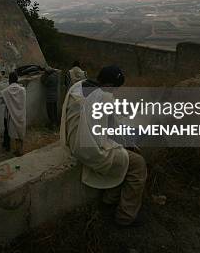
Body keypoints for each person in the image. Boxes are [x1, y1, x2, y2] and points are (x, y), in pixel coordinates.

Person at [60, 65, 147, 227]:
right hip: (90, 151)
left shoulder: (77, 87)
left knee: (123, 157)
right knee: (137, 164)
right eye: (115, 88)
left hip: (73, 144)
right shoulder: (104, 97)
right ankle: (126, 216)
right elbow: (118, 129)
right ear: (110, 85)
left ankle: (110, 200)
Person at [1, 72, 26, 156]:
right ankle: (20, 150)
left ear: (9, 80)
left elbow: (3, 102)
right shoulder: (22, 90)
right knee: (20, 132)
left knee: (14, 133)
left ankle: (17, 150)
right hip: (21, 115)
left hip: (11, 115)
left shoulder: (5, 92)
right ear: (17, 79)